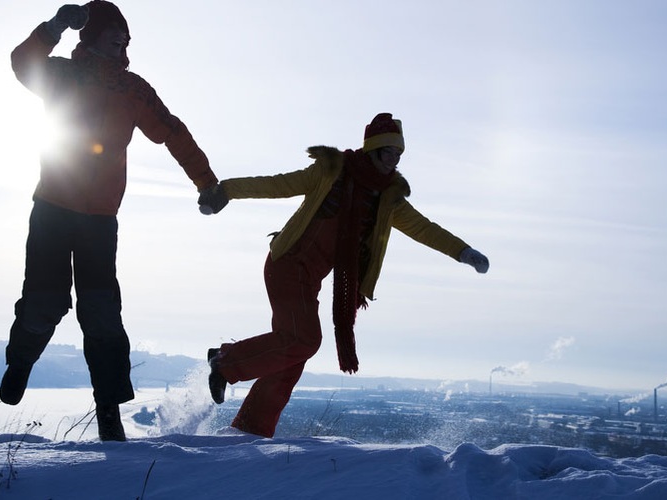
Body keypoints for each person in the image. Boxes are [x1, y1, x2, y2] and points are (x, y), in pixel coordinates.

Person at [0, 1, 219, 442]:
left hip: (100, 220)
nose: (122, 39)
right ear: (91, 35)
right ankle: (21, 362)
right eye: (113, 32)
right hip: (53, 210)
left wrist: (206, 183)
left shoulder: (133, 90)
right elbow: (22, 64)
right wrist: (55, 25)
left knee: (101, 315)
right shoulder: (62, 75)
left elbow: (173, 132)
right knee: (45, 303)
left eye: (126, 34)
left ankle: (109, 414)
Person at [197, 113, 489, 438]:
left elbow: (424, 228)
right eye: (388, 151)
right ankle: (225, 362)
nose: (394, 160)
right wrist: (226, 191)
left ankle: (250, 429)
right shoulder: (330, 171)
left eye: (399, 154)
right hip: (287, 264)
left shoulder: (387, 199)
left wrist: (463, 252)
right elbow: (279, 184)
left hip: (310, 280)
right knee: (305, 340)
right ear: (374, 149)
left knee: (292, 353)